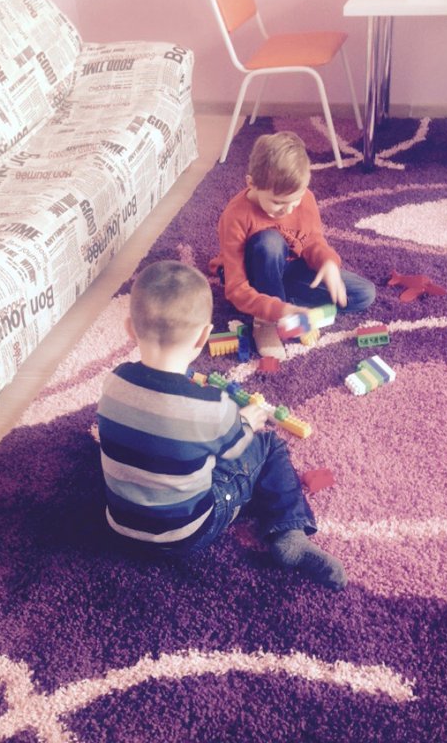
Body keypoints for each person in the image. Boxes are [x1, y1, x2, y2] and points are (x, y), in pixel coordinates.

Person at [97, 260, 348, 591]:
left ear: (130, 328)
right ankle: (290, 533)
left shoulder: (113, 383)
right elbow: (235, 447)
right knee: (268, 446)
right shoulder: (211, 407)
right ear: (204, 336)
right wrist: (246, 421)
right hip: (188, 532)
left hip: (119, 525)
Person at [209, 131, 376, 359]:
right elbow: (236, 288)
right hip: (253, 271)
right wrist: (279, 311)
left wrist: (328, 263)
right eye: (278, 203)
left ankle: (282, 300)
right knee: (269, 242)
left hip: (289, 266)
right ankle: (266, 320)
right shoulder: (235, 216)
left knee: (363, 294)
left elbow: (312, 240)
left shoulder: (305, 199)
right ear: (251, 183)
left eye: (295, 201)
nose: (288, 210)